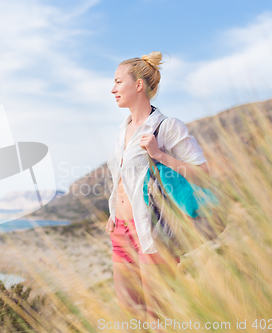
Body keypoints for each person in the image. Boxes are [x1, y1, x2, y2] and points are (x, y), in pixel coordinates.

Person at [105, 51, 211, 323]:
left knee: (159, 317)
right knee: (130, 316)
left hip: (154, 232)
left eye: (118, 81)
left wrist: (160, 155)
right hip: (121, 231)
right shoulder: (123, 128)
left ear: (138, 85)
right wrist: (112, 215)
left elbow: (204, 175)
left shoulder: (167, 126)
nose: (113, 88)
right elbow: (123, 179)